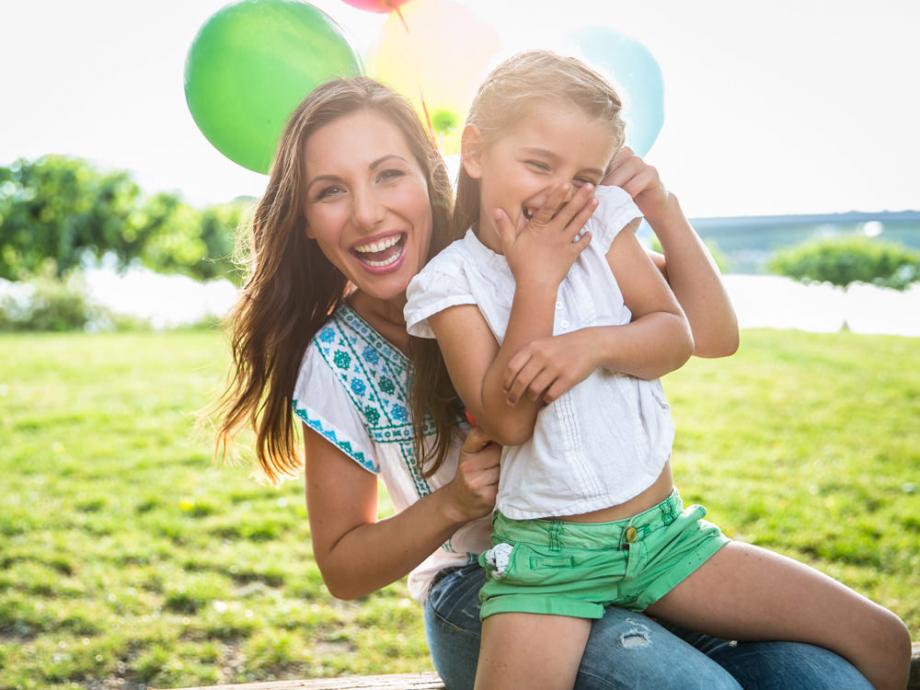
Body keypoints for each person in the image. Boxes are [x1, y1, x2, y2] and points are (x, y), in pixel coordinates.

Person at [213, 75, 884, 689]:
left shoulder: (539, 240)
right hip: (485, 586)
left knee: (827, 679)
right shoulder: (341, 355)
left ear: (431, 175)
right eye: (330, 190)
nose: (366, 213)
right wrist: (451, 504)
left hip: (634, 548)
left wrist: (662, 209)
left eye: (389, 174)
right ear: (305, 220)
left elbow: (704, 333)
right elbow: (343, 567)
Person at [402, 51, 911, 690]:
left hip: (666, 539)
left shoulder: (603, 227)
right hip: (550, 563)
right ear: (476, 151)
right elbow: (508, 423)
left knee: (883, 640)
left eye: (584, 176)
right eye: (539, 165)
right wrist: (537, 281)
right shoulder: (451, 283)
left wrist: (592, 345)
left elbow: (676, 334)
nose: (560, 192)